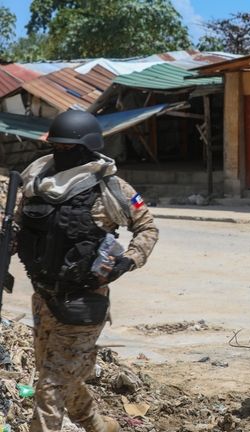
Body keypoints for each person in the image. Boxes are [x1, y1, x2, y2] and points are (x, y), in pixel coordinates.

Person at [15, 111, 159, 432]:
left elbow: (147, 228)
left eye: (69, 148)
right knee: (57, 375)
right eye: (57, 147)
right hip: (43, 297)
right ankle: (99, 425)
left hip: (84, 301)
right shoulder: (34, 182)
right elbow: (15, 229)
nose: (61, 153)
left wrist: (128, 261)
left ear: (88, 148)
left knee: (51, 386)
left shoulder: (110, 186)